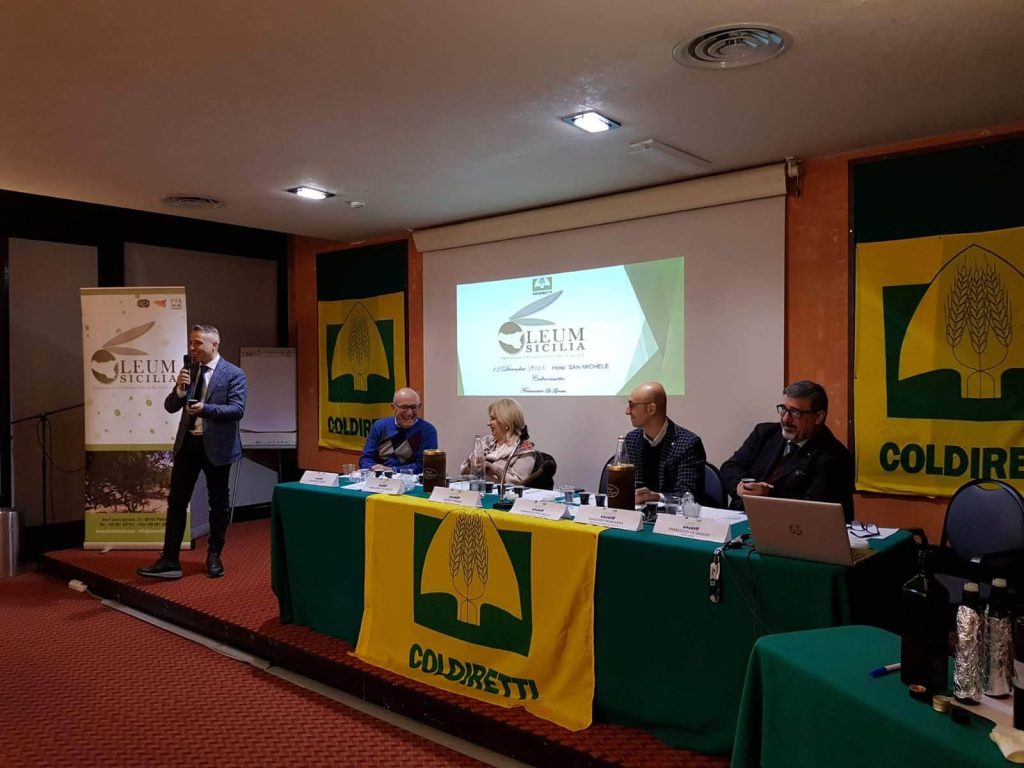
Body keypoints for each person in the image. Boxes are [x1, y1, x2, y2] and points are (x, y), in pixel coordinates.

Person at [139, 324, 247, 580]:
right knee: (177, 501)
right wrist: (179, 388)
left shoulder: (234, 374)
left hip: (217, 448)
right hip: (188, 445)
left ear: (214, 344)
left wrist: (205, 409)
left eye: (197, 343)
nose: (192, 347)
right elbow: (170, 406)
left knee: (218, 503)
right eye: (191, 342)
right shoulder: (190, 370)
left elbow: (237, 409)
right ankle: (169, 559)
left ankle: (214, 555)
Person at [719, 380, 855, 521]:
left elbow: (815, 509)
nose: (785, 419)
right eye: (783, 409)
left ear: (818, 417)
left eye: (795, 412)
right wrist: (742, 486)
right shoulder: (764, 433)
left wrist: (768, 495)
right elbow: (729, 467)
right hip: (740, 518)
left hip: (790, 527)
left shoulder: (834, 457)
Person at [622, 381, 705, 504]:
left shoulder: (688, 444)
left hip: (672, 515)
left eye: (632, 405)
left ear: (651, 409)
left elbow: (687, 495)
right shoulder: (631, 439)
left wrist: (657, 497)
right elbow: (623, 486)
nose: (627, 411)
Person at [359, 387, 438, 473]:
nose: (409, 413)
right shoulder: (380, 426)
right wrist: (375, 469)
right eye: (404, 407)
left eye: (413, 407)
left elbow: (424, 466)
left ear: (419, 407)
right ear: (393, 407)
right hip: (379, 478)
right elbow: (365, 458)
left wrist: (392, 470)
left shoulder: (427, 431)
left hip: (409, 480)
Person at [460, 398, 535, 486]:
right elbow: (464, 471)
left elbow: (518, 482)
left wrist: (492, 468)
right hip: (477, 489)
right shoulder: (486, 442)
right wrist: (471, 465)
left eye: (493, 418)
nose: (488, 423)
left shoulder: (523, 449)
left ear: (506, 421)